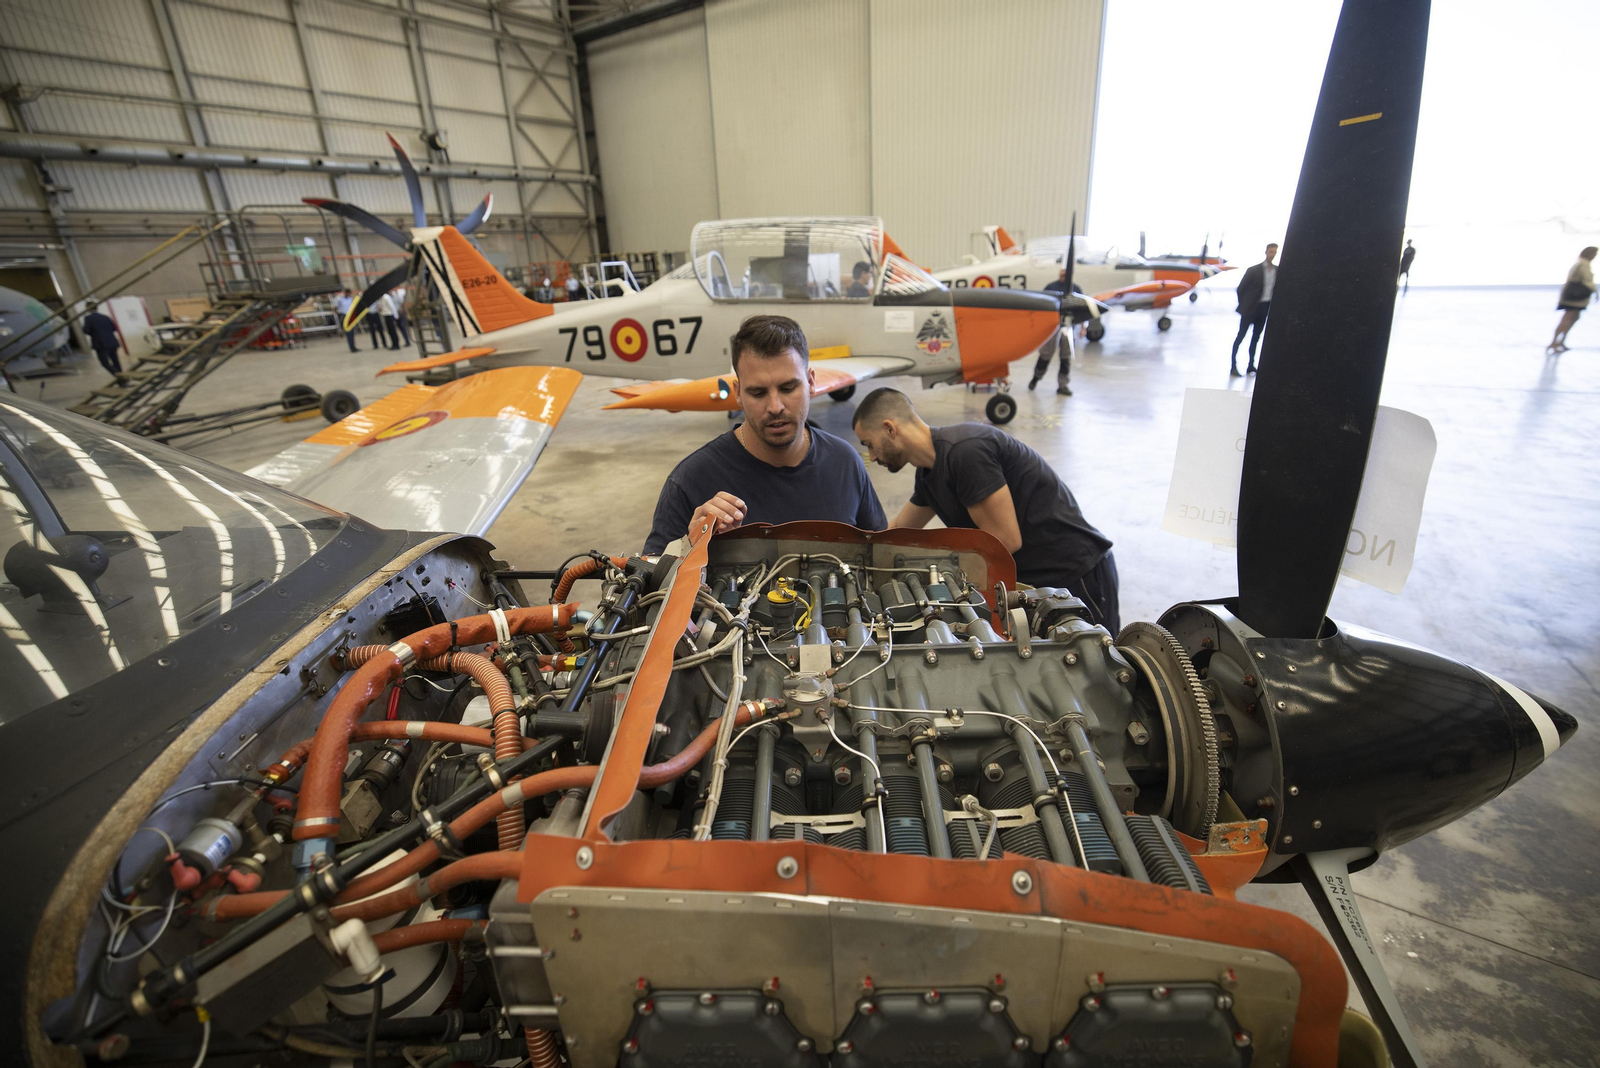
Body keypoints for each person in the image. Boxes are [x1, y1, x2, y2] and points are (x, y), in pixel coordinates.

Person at [852, 387, 1120, 633]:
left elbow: (1005, 541)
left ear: (889, 428)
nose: (872, 457)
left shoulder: (965, 452)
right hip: (1038, 585)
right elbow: (900, 530)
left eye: (868, 444)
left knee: (1104, 670)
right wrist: (857, 560)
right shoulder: (928, 474)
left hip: (1076, 575)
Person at [643, 315, 886, 554]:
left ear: (811, 382)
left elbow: (881, 560)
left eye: (788, 388)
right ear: (738, 393)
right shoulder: (691, 481)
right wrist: (689, 547)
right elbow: (652, 585)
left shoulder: (845, 462)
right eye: (758, 393)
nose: (775, 407)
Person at [1028, 266, 1081, 396]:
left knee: (1065, 357)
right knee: (1046, 354)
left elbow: (1081, 308)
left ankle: (1063, 385)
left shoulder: (1076, 289)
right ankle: (1036, 378)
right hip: (1053, 326)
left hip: (1068, 327)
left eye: (1066, 273)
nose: (1063, 275)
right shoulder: (1050, 287)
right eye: (1062, 272)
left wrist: (1082, 327)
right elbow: (1042, 306)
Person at [1230, 242, 1278, 376]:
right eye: (1270, 252)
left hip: (1264, 308)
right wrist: (1245, 304)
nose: (1272, 254)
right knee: (1241, 336)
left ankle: (1251, 365)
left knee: (1256, 338)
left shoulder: (1277, 270)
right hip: (1250, 309)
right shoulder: (1254, 270)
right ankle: (1233, 366)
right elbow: (1241, 289)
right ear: (1266, 252)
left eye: (1274, 252)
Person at [1549, 246, 1597, 354]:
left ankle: (1559, 341)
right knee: (1568, 318)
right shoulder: (1583, 264)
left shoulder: (1580, 263)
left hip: (1574, 296)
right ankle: (1555, 342)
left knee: (1571, 318)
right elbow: (1587, 280)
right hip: (1575, 297)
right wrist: (1594, 290)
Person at [81, 302, 126, 382]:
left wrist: (94, 333)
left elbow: (86, 330)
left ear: (88, 308)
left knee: (105, 362)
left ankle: (119, 376)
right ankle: (122, 379)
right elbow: (114, 328)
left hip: (100, 343)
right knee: (115, 361)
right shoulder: (105, 317)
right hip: (112, 341)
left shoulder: (88, 318)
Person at [333, 288, 358, 353]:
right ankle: (351, 347)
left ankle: (353, 346)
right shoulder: (339, 299)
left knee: (352, 331)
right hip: (343, 315)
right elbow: (335, 307)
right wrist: (338, 313)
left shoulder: (350, 299)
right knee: (349, 332)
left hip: (350, 315)